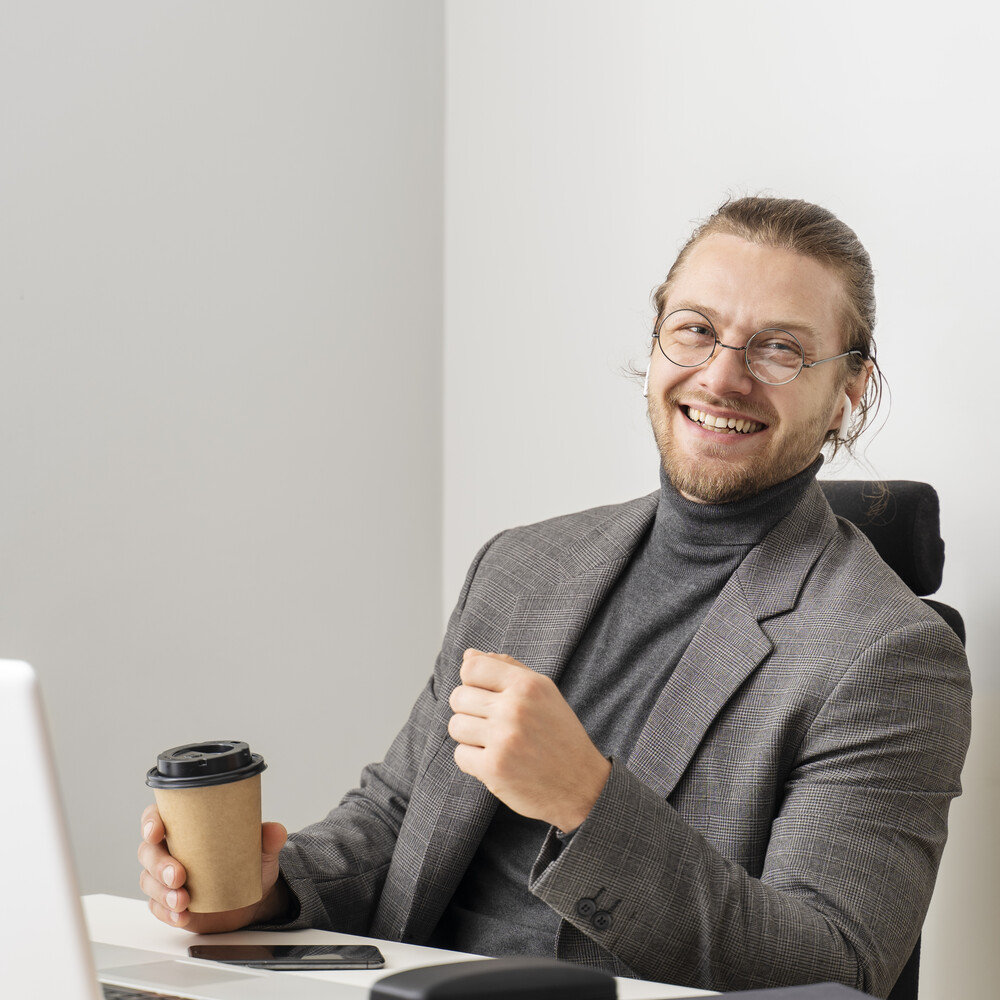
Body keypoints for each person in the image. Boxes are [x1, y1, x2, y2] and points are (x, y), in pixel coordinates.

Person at [138, 197, 971, 997]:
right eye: (696, 331)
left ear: (850, 389)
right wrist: (269, 887)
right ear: (656, 341)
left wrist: (586, 799)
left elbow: (831, 970)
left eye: (779, 349)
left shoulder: (887, 656)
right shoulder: (525, 565)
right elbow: (396, 819)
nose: (722, 377)